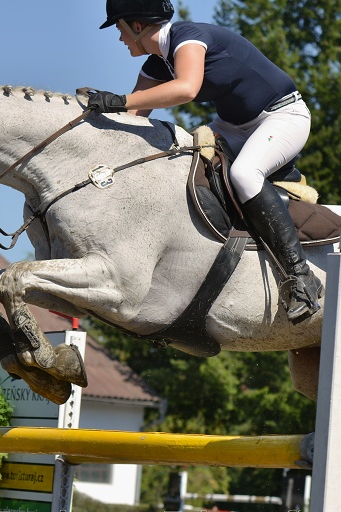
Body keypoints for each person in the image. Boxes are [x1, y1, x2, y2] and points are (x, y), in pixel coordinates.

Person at [89, 0, 322, 322]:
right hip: (233, 127)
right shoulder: (158, 63)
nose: (120, 38)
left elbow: (186, 88)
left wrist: (118, 101)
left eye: (119, 29)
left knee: (243, 173)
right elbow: (133, 118)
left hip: (282, 117)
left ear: (137, 26)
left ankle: (301, 279)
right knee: (176, 162)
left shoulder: (187, 36)